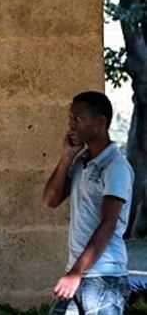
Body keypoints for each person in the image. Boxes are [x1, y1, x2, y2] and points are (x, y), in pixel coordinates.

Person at [43, 91, 134, 314]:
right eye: (70, 118)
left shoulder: (115, 166)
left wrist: (76, 273)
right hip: (78, 273)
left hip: (104, 276)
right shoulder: (81, 162)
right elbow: (50, 200)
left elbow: (108, 224)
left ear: (100, 122)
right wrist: (67, 158)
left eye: (79, 118)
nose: (71, 124)